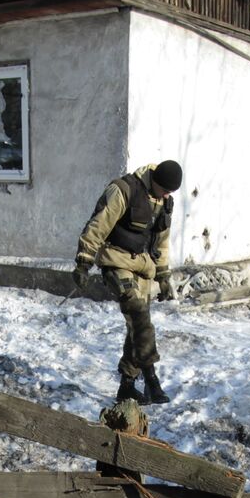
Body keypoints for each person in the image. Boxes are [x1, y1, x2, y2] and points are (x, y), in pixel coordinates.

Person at [72, 160, 182, 404]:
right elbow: (98, 225)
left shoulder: (164, 202)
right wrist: (83, 262)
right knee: (139, 316)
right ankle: (151, 379)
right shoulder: (124, 190)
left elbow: (161, 242)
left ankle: (127, 385)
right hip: (116, 261)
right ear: (155, 180)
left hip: (144, 267)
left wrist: (163, 276)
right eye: (165, 189)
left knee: (139, 326)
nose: (167, 195)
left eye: (171, 192)